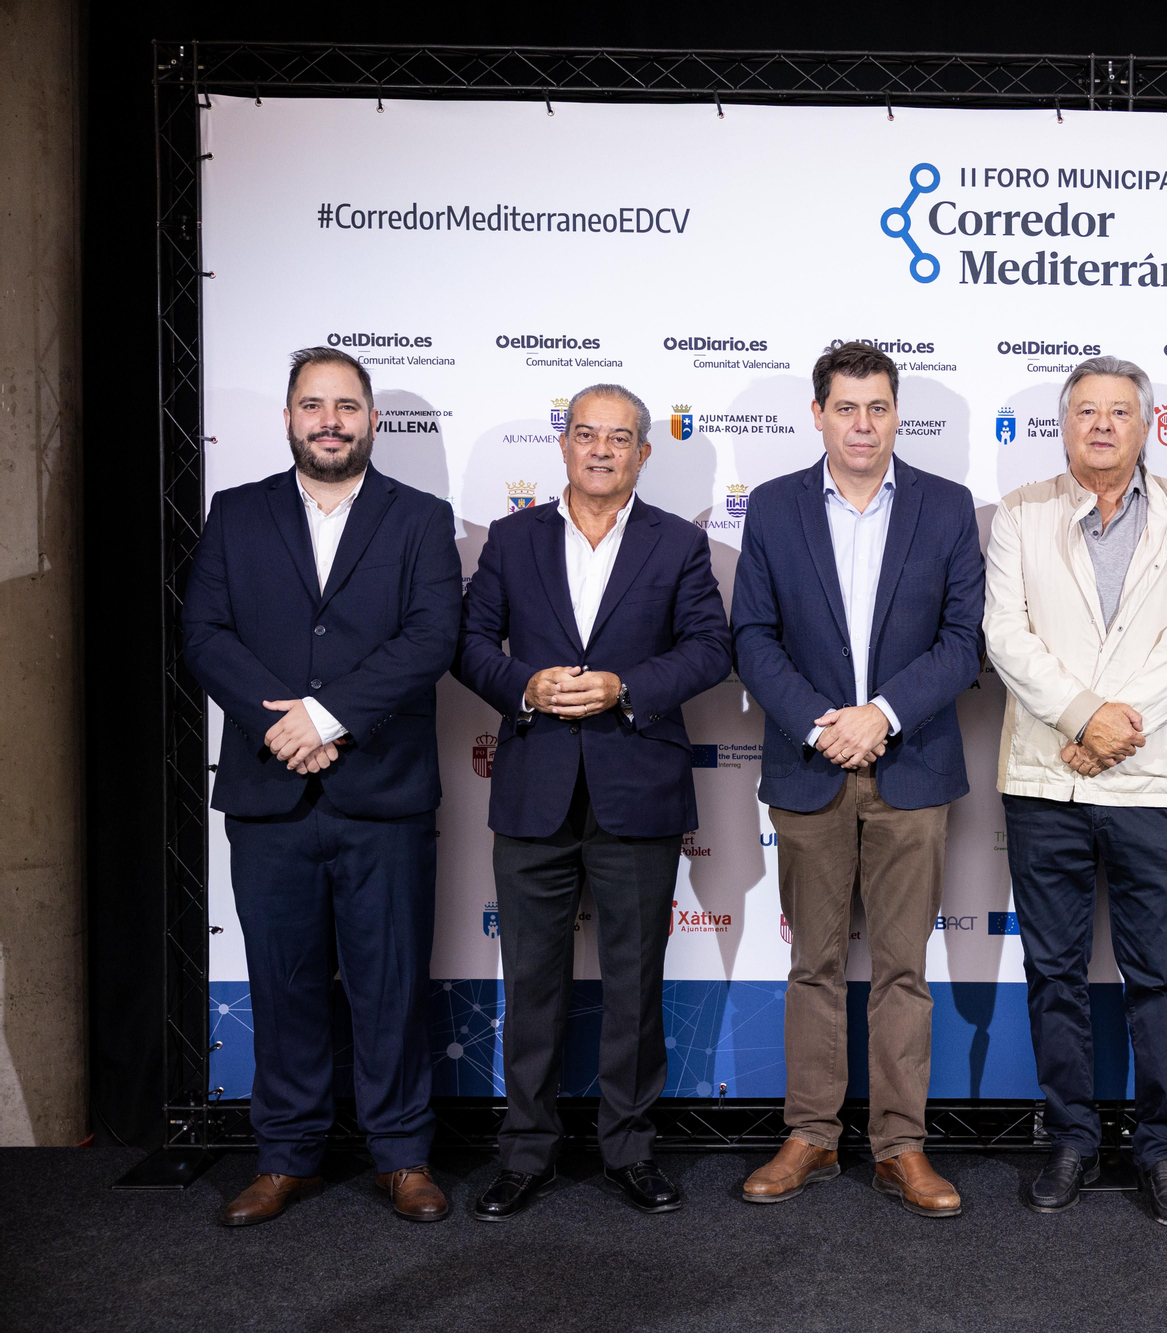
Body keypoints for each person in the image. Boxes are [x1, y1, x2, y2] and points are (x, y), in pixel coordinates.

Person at [184, 346, 460, 1226]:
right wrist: (282, 725)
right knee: (282, 977)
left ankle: (402, 1154)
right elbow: (206, 633)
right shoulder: (237, 512)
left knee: (390, 982)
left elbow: (430, 639)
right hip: (271, 793)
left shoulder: (421, 517)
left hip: (382, 792)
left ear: (373, 419)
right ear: (291, 418)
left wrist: (327, 716)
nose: (330, 420)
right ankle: (286, 1154)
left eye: (346, 405)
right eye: (313, 405)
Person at [455, 383, 732, 1220]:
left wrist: (627, 687)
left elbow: (711, 647)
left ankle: (630, 1148)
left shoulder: (679, 543)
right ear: (564, 444)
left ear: (645, 452)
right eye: (587, 433)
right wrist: (523, 686)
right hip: (535, 787)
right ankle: (526, 1151)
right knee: (530, 983)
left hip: (636, 790)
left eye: (620, 437)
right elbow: (468, 643)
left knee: (633, 985)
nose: (602, 449)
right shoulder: (512, 537)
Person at [731, 341, 984, 1218]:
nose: (864, 424)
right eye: (847, 407)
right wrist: (824, 723)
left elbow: (963, 640)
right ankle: (810, 1134)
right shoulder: (771, 508)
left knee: (904, 968)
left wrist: (882, 714)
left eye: (878, 407)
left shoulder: (948, 508)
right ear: (818, 414)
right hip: (810, 768)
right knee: (815, 964)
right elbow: (753, 637)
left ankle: (901, 1145)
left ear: (896, 412)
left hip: (912, 766)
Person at [984, 355, 1167, 1226]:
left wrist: (1115, 729)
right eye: (1087, 410)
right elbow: (1006, 633)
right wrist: (1084, 716)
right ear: (1064, 422)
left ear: (1146, 423)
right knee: (1054, 973)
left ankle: (1163, 1151)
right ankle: (1072, 1139)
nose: (1103, 425)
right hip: (1046, 781)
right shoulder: (1021, 513)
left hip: (1150, 784)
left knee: (1157, 978)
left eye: (1120, 411)